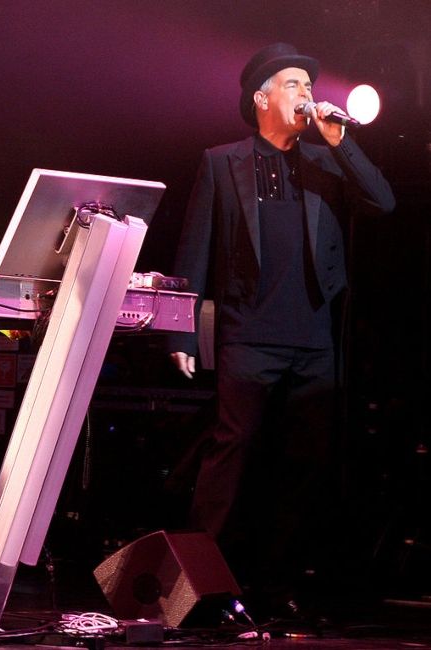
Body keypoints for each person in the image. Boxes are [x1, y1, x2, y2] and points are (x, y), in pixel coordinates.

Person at [168, 43, 395, 616]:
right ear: (261, 97)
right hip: (247, 336)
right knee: (228, 464)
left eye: (308, 85)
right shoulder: (222, 161)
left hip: (315, 342)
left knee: (300, 470)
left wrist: (342, 140)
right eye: (293, 84)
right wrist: (180, 332)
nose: (306, 94)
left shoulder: (325, 162)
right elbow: (193, 251)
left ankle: (272, 590)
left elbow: (383, 202)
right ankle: (197, 592)